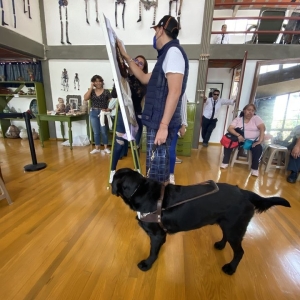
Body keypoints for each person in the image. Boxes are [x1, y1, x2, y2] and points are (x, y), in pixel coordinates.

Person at [117, 15, 189, 184]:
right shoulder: (165, 56)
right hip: (156, 122)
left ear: (161, 30)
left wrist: (163, 126)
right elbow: (143, 77)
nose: (154, 34)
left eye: (155, 29)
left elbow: (175, 91)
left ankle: (159, 208)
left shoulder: (173, 53)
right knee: (154, 169)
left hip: (160, 124)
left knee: (157, 172)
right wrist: (126, 57)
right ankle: (156, 208)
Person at [109, 55, 148, 183]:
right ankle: (112, 171)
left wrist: (131, 76)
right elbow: (114, 94)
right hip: (123, 113)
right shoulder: (123, 77)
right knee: (119, 144)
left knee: (135, 146)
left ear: (143, 68)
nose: (137, 63)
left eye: (141, 63)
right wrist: (120, 79)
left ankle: (137, 173)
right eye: (136, 60)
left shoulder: (143, 82)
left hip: (137, 116)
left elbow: (139, 96)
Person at [221, 104, 266, 177]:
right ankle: (225, 162)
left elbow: (262, 128)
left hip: (253, 141)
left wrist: (259, 141)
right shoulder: (238, 119)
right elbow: (230, 128)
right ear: (244, 110)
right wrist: (238, 135)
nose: (250, 112)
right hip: (240, 140)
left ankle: (254, 168)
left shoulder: (256, 118)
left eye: (252, 110)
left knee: (258, 148)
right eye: (248, 110)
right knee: (228, 142)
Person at [84, 75, 112, 154]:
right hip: (93, 112)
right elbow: (85, 98)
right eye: (96, 81)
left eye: (99, 81)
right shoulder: (92, 91)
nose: (98, 83)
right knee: (96, 132)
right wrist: (91, 87)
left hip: (103, 113)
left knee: (104, 131)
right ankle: (97, 147)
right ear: (93, 82)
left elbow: (112, 102)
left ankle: (106, 147)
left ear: (102, 82)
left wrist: (108, 109)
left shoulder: (106, 91)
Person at [169, 92, 188, 184]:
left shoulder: (182, 90)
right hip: (159, 124)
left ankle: (171, 174)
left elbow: (183, 109)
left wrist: (183, 125)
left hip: (174, 124)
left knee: (171, 150)